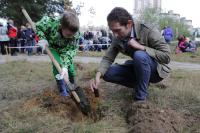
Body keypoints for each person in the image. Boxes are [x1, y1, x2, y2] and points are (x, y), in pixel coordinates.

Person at [90, 7, 171, 102]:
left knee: (139, 55)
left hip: (156, 70)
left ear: (129, 24)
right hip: (138, 67)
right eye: (112, 31)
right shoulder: (118, 36)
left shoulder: (148, 30)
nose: (115, 35)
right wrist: (98, 75)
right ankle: (141, 84)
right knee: (106, 73)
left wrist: (141, 47)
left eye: (117, 30)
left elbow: (166, 57)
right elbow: (108, 58)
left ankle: (140, 99)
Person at [36, 10, 81, 96]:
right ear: (61, 26)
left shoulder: (76, 35)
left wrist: (65, 66)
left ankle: (72, 85)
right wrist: (42, 38)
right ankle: (62, 90)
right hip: (53, 47)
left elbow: (70, 50)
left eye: (72, 34)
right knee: (58, 66)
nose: (70, 36)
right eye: (68, 34)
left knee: (69, 69)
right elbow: (38, 26)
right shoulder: (50, 23)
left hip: (66, 49)